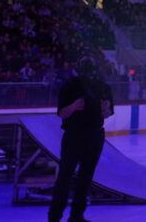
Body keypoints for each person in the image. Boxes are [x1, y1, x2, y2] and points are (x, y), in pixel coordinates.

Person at [48, 57, 114, 222]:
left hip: (95, 135)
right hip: (74, 136)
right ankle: (55, 217)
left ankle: (76, 215)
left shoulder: (103, 87)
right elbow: (62, 113)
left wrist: (106, 109)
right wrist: (73, 107)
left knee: (85, 178)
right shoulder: (70, 87)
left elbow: (108, 112)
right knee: (65, 177)